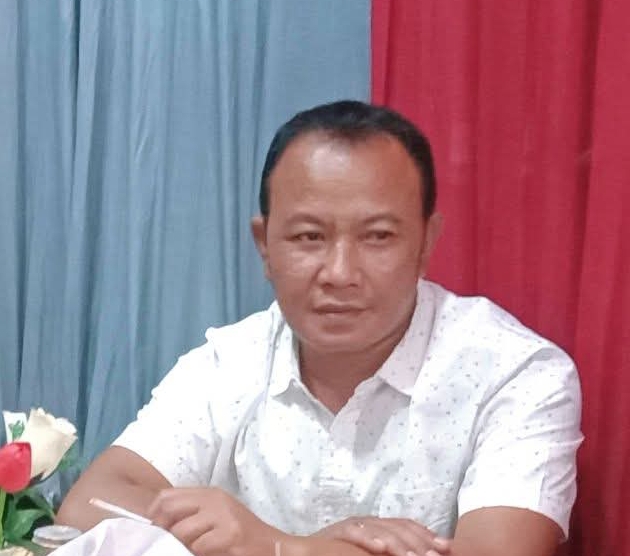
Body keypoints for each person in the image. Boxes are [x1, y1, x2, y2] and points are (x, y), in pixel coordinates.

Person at [57, 100, 582, 556]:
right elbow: (89, 506)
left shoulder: (515, 374)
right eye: (309, 237)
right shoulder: (229, 362)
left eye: (377, 237)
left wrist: (274, 546)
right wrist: (303, 548)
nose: (339, 273)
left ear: (426, 242)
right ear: (265, 246)